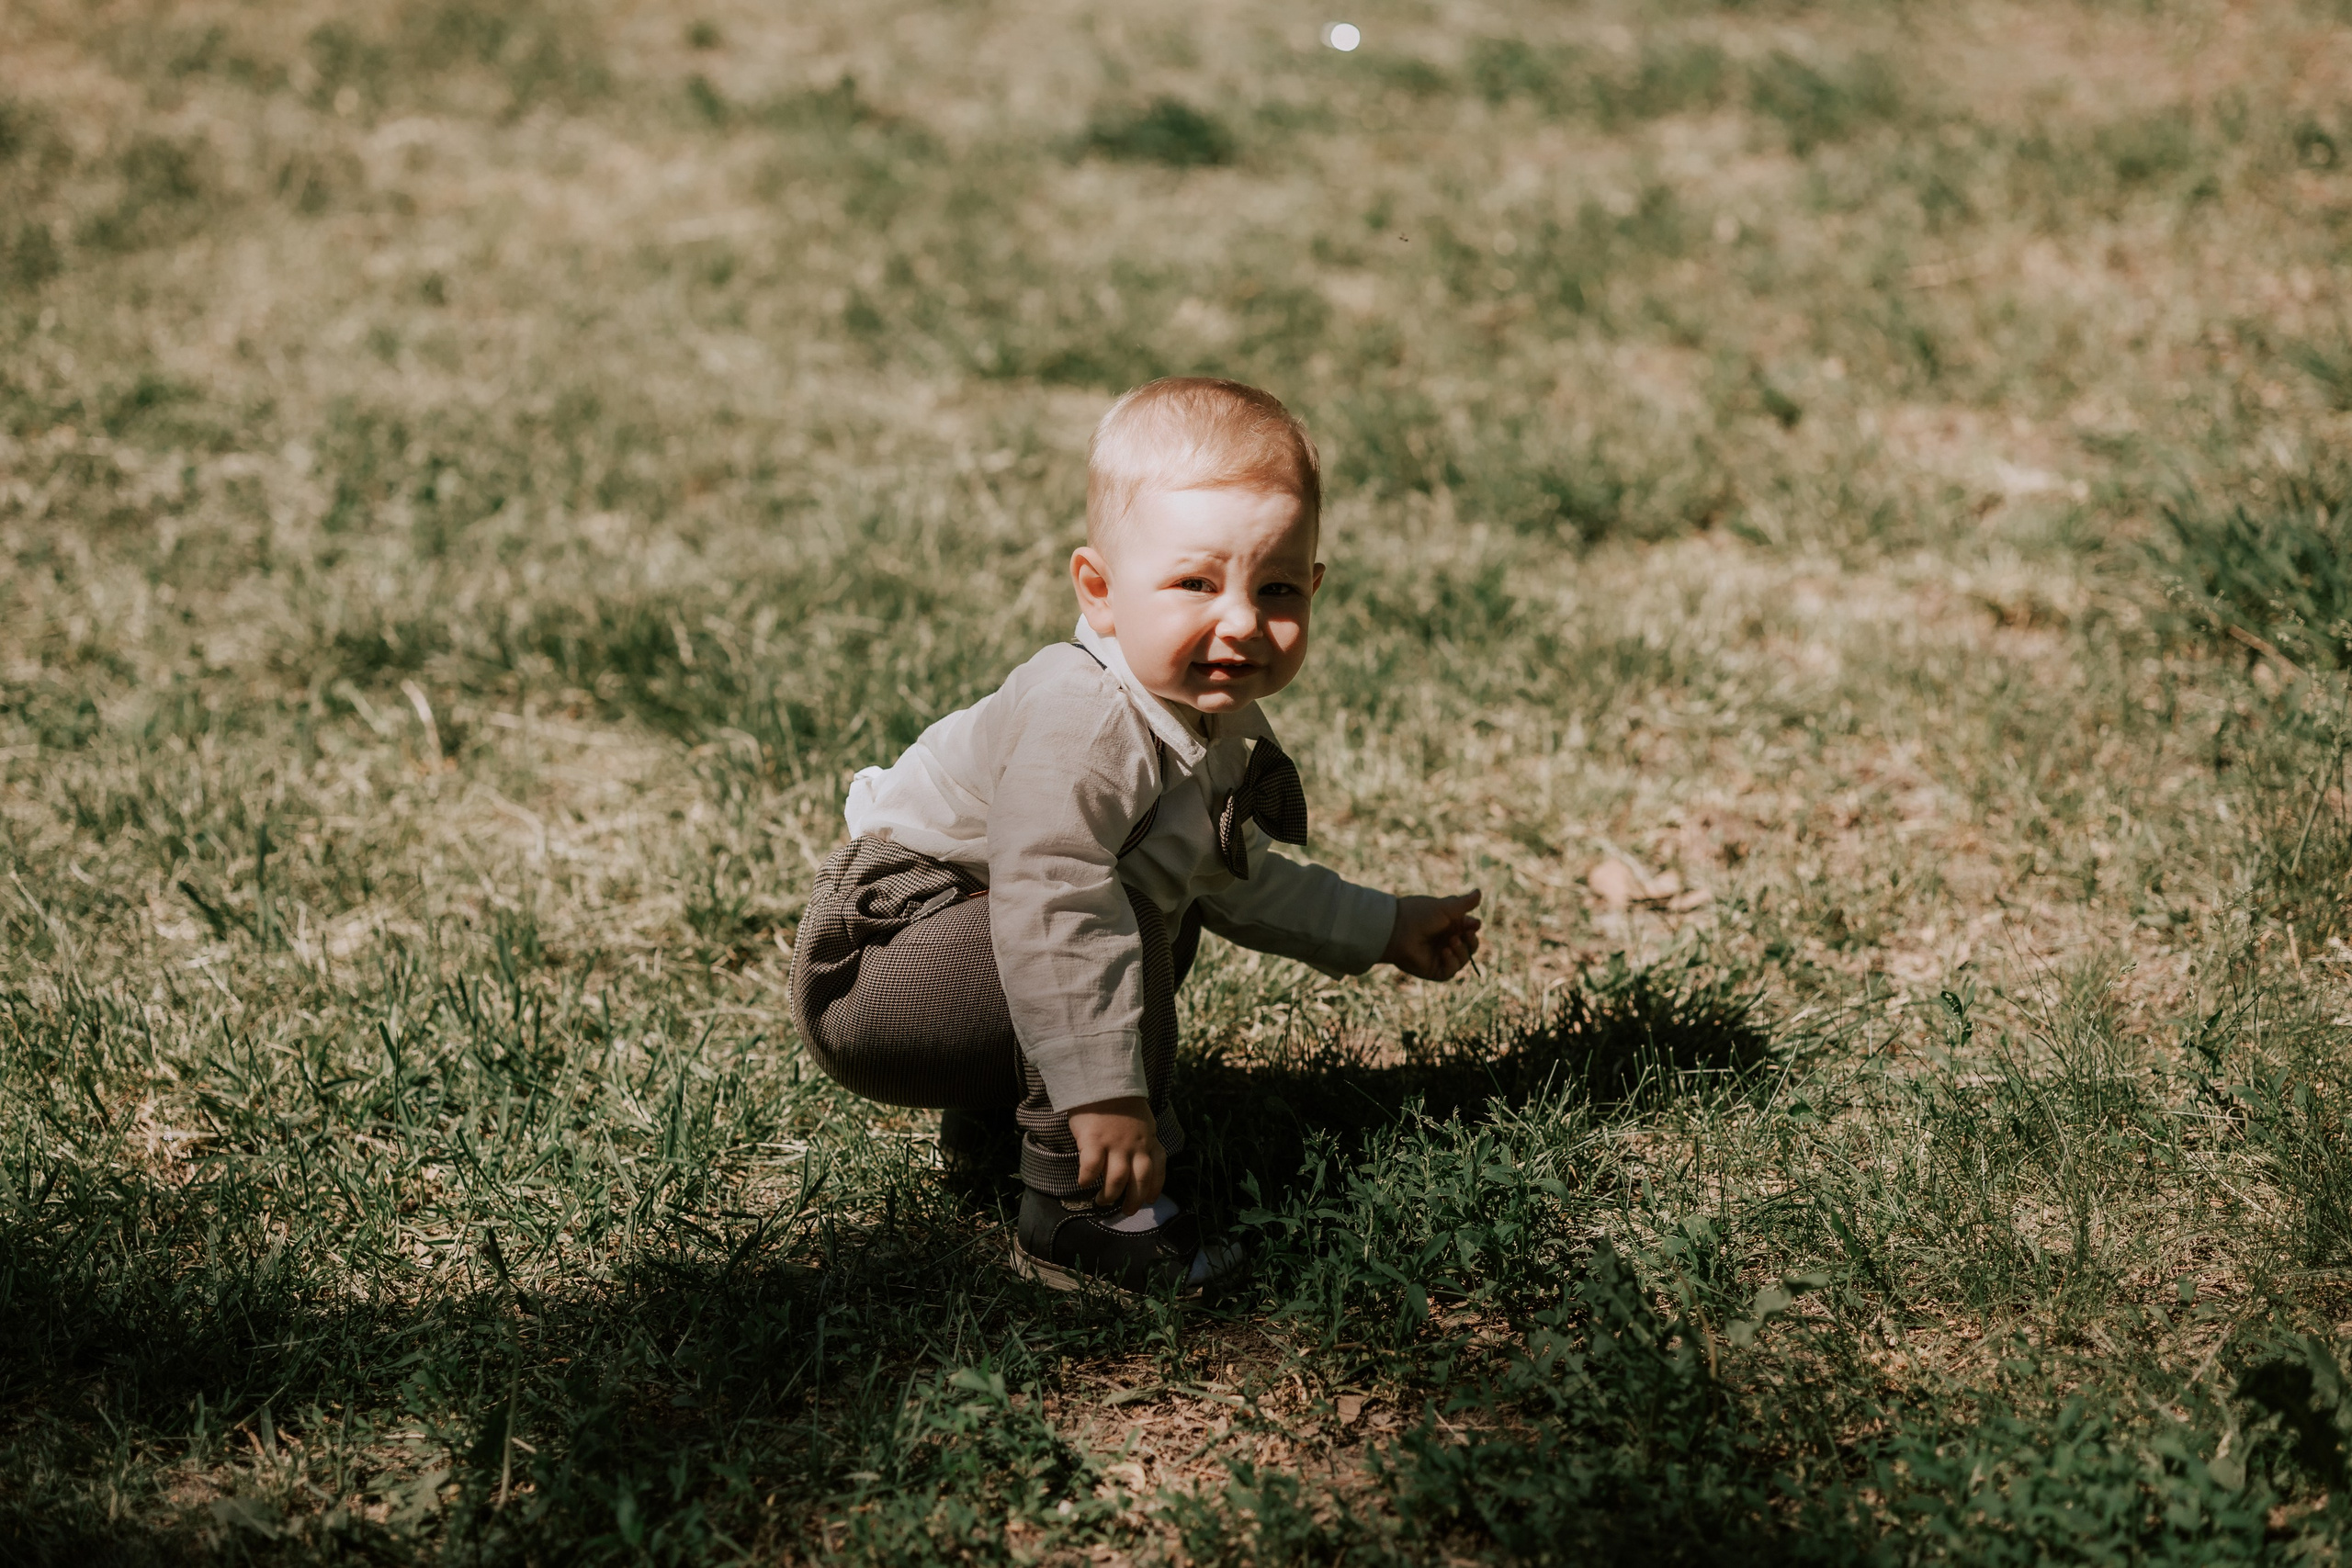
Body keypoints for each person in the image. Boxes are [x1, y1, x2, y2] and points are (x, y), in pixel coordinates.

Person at [788, 377, 1483, 1292]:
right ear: (1101, 591)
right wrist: (1105, 1094)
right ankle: (1078, 1211)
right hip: (885, 970)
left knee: (1160, 902)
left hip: (961, 944)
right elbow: (1050, 906)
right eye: (1194, 582)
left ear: (1314, 586)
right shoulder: (1084, 719)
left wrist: (1384, 925)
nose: (1239, 620)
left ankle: (998, 1130)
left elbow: (1231, 876)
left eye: (1276, 588)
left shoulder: (1203, 717)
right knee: (1111, 918)